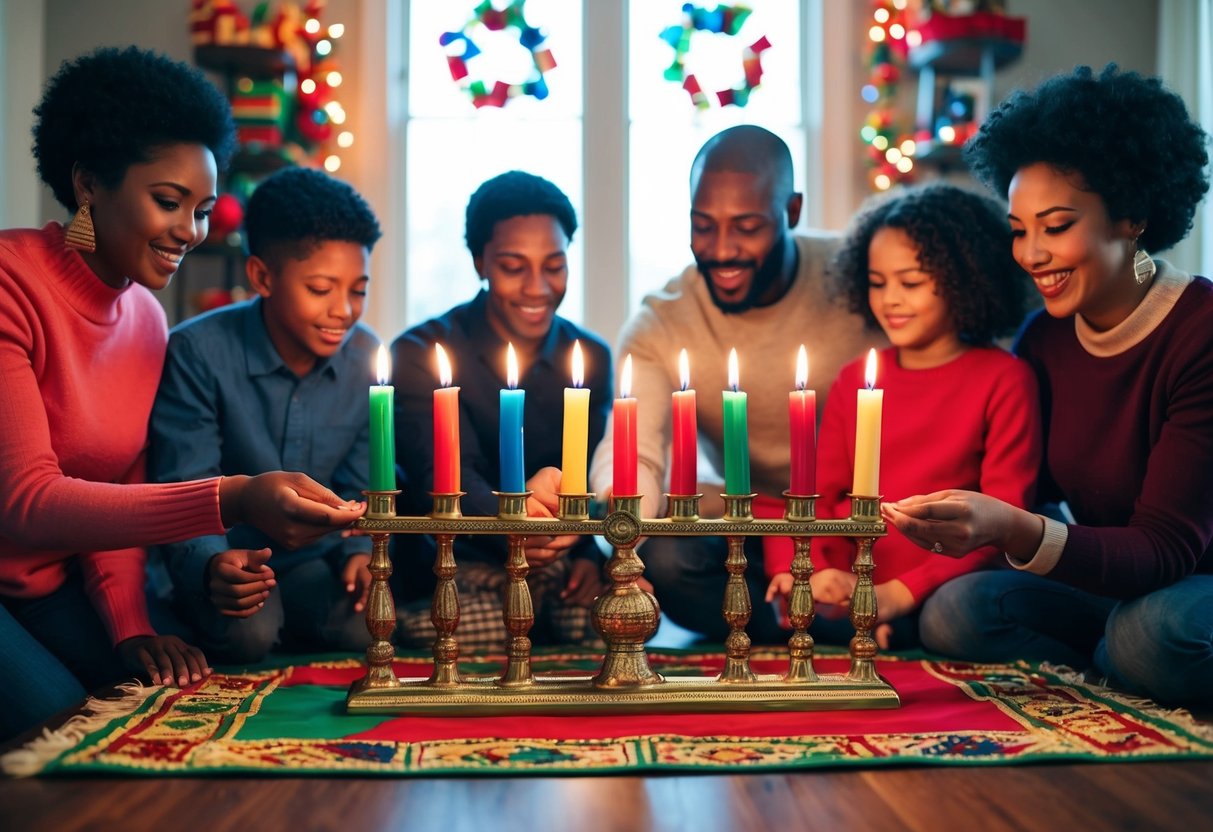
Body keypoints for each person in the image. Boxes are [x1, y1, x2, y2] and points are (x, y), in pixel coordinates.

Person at [0, 47, 365, 741]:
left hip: (56, 587)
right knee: (60, 727)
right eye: (168, 203)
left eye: (201, 210)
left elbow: (119, 488)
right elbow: (29, 504)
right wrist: (231, 496)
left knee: (157, 705)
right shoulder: (11, 282)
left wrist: (130, 627)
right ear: (87, 185)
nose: (191, 233)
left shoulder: (143, 317)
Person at [882, 65, 1213, 705]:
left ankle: (1125, 659)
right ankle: (1116, 666)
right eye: (1018, 229)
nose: (1030, 254)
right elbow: (1027, 492)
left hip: (1190, 580)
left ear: (1133, 215)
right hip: (1118, 580)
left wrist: (1014, 530)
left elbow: (1167, 550)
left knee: (1150, 635)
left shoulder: (1199, 334)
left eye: (1055, 227)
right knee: (956, 612)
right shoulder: (1044, 339)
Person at [588, 125, 882, 643]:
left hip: (858, 519)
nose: (722, 250)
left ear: (791, 211)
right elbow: (639, 447)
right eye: (703, 226)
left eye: (746, 226)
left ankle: (819, 615)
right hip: (749, 523)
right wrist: (624, 505)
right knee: (671, 555)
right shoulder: (663, 320)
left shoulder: (861, 275)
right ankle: (825, 623)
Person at [763, 183, 1040, 650]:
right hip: (854, 582)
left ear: (966, 278)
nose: (890, 298)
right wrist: (820, 571)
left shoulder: (1005, 380)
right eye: (877, 282)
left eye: (910, 282)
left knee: (956, 616)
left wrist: (902, 592)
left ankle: (888, 625)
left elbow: (1003, 525)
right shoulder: (856, 379)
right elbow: (819, 495)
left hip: (947, 583)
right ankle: (859, 622)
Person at [149, 167, 382, 662]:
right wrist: (214, 566)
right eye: (321, 288)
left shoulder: (365, 358)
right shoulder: (198, 352)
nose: (343, 310)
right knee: (248, 632)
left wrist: (360, 553)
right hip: (234, 552)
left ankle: (291, 619)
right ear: (262, 277)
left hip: (316, 559)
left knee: (369, 623)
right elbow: (183, 481)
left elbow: (363, 482)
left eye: (357, 290)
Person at [391, 171, 611, 648]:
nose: (538, 287)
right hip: (457, 563)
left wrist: (591, 557)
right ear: (479, 262)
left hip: (559, 564)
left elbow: (594, 476)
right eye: (514, 266)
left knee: (606, 629)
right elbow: (445, 477)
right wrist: (514, 520)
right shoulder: (421, 353)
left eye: (554, 265)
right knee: (472, 635)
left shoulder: (589, 357)